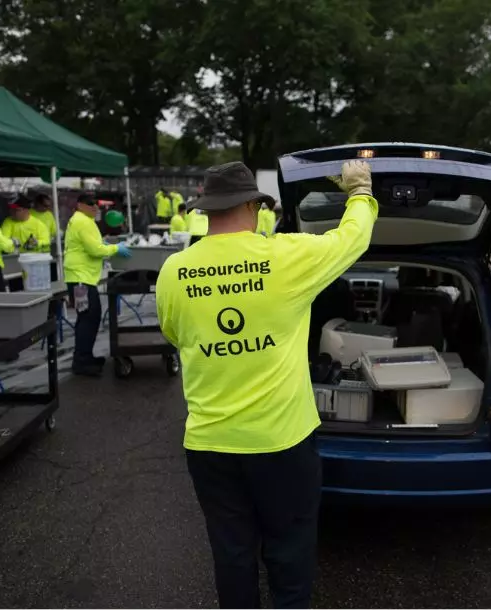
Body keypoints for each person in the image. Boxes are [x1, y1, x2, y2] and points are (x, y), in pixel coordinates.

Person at [156, 160, 377, 608]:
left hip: (210, 444)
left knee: (232, 552)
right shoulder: (286, 257)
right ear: (255, 206)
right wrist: (359, 191)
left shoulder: (173, 271)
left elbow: (177, 337)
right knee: (289, 550)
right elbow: (353, 238)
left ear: (205, 210)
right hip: (282, 443)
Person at [64, 193, 132, 377]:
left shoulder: (80, 220)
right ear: (79, 205)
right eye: (90, 204)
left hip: (80, 277)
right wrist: (116, 248)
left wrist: (103, 244)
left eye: (97, 204)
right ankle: (81, 361)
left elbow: (90, 244)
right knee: (88, 317)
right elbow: (95, 250)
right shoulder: (83, 222)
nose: (95, 207)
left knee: (87, 317)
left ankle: (84, 357)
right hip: (81, 279)